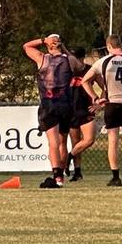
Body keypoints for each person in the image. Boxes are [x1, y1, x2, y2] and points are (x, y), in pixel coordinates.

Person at [81, 35, 122, 186]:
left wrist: (95, 98)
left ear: (108, 46)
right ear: (121, 45)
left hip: (112, 103)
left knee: (113, 140)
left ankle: (115, 177)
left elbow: (84, 81)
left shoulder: (103, 62)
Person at [23, 34, 87, 188]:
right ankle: (62, 176)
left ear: (48, 45)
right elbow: (80, 67)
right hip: (65, 104)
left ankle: (57, 175)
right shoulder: (69, 60)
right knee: (62, 142)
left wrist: (43, 40)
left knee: (53, 142)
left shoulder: (42, 58)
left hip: (48, 104)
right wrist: (64, 49)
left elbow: (26, 46)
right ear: (60, 44)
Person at [66, 47, 99, 182]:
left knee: (88, 140)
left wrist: (98, 103)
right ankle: (77, 172)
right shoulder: (67, 72)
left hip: (86, 109)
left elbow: (104, 87)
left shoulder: (89, 70)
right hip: (71, 109)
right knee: (75, 141)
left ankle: (69, 156)